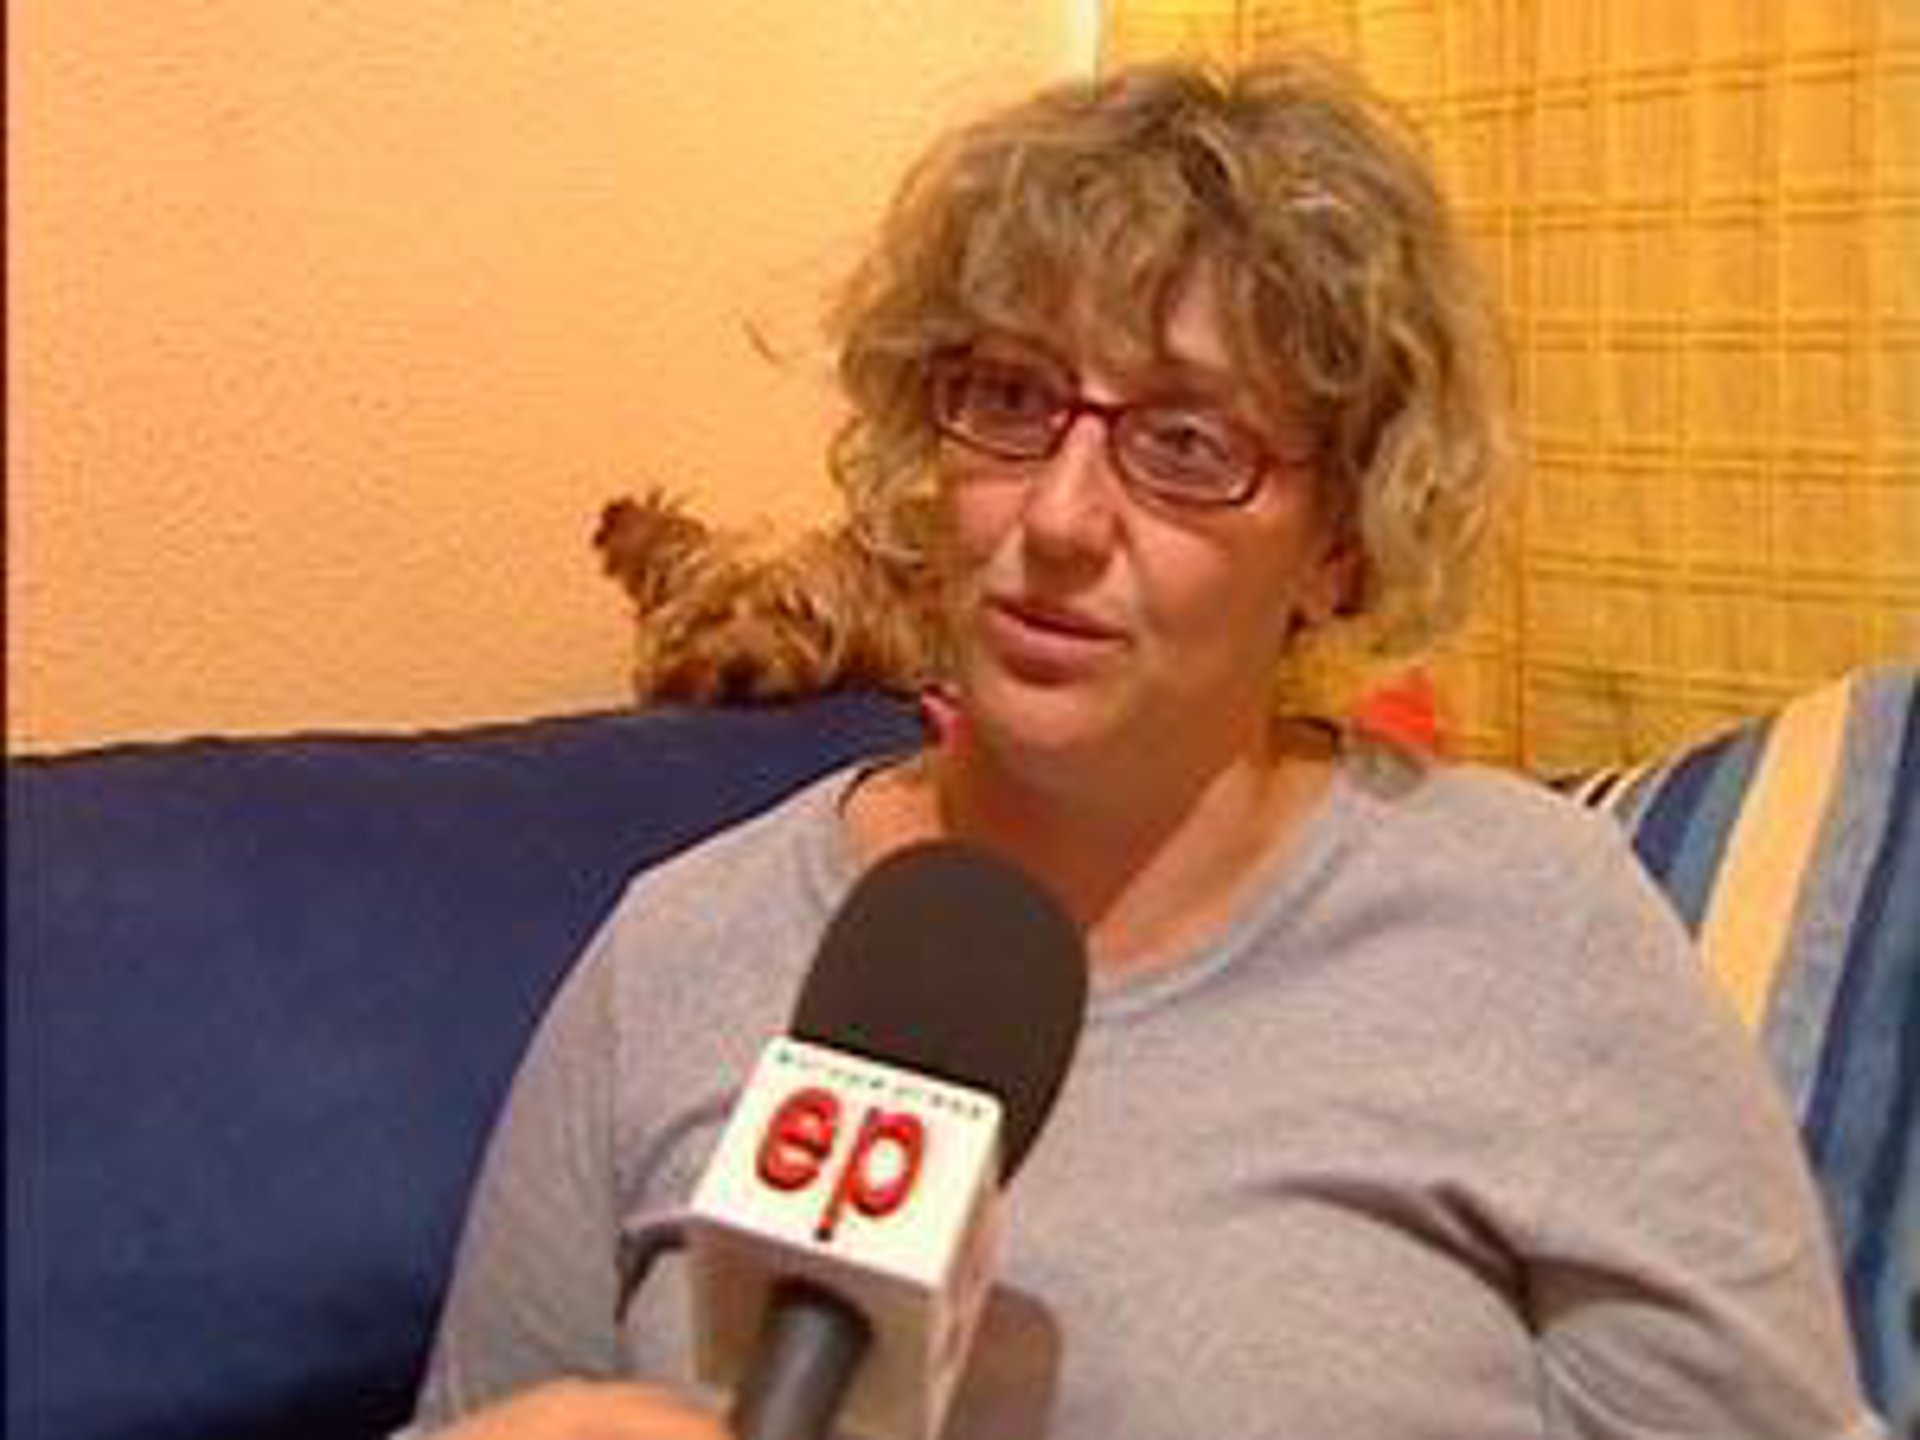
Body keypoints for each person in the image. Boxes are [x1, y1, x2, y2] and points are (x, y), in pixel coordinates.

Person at [403, 57, 1885, 1439]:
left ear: (1343, 545)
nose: (1059, 519)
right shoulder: (674, 952)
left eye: (1186, 443)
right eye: (1009, 400)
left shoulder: (1537, 926)